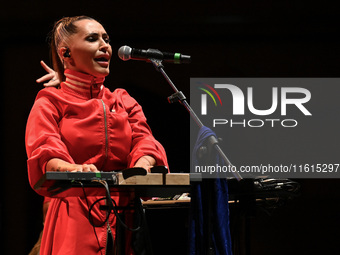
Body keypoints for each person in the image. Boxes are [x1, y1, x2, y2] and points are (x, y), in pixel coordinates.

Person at [25, 16, 168, 255]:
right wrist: (72, 168)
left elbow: (145, 140)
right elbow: (44, 149)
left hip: (127, 216)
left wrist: (143, 164)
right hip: (74, 214)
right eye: (92, 39)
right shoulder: (50, 101)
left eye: (106, 39)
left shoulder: (122, 100)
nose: (105, 46)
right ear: (66, 54)